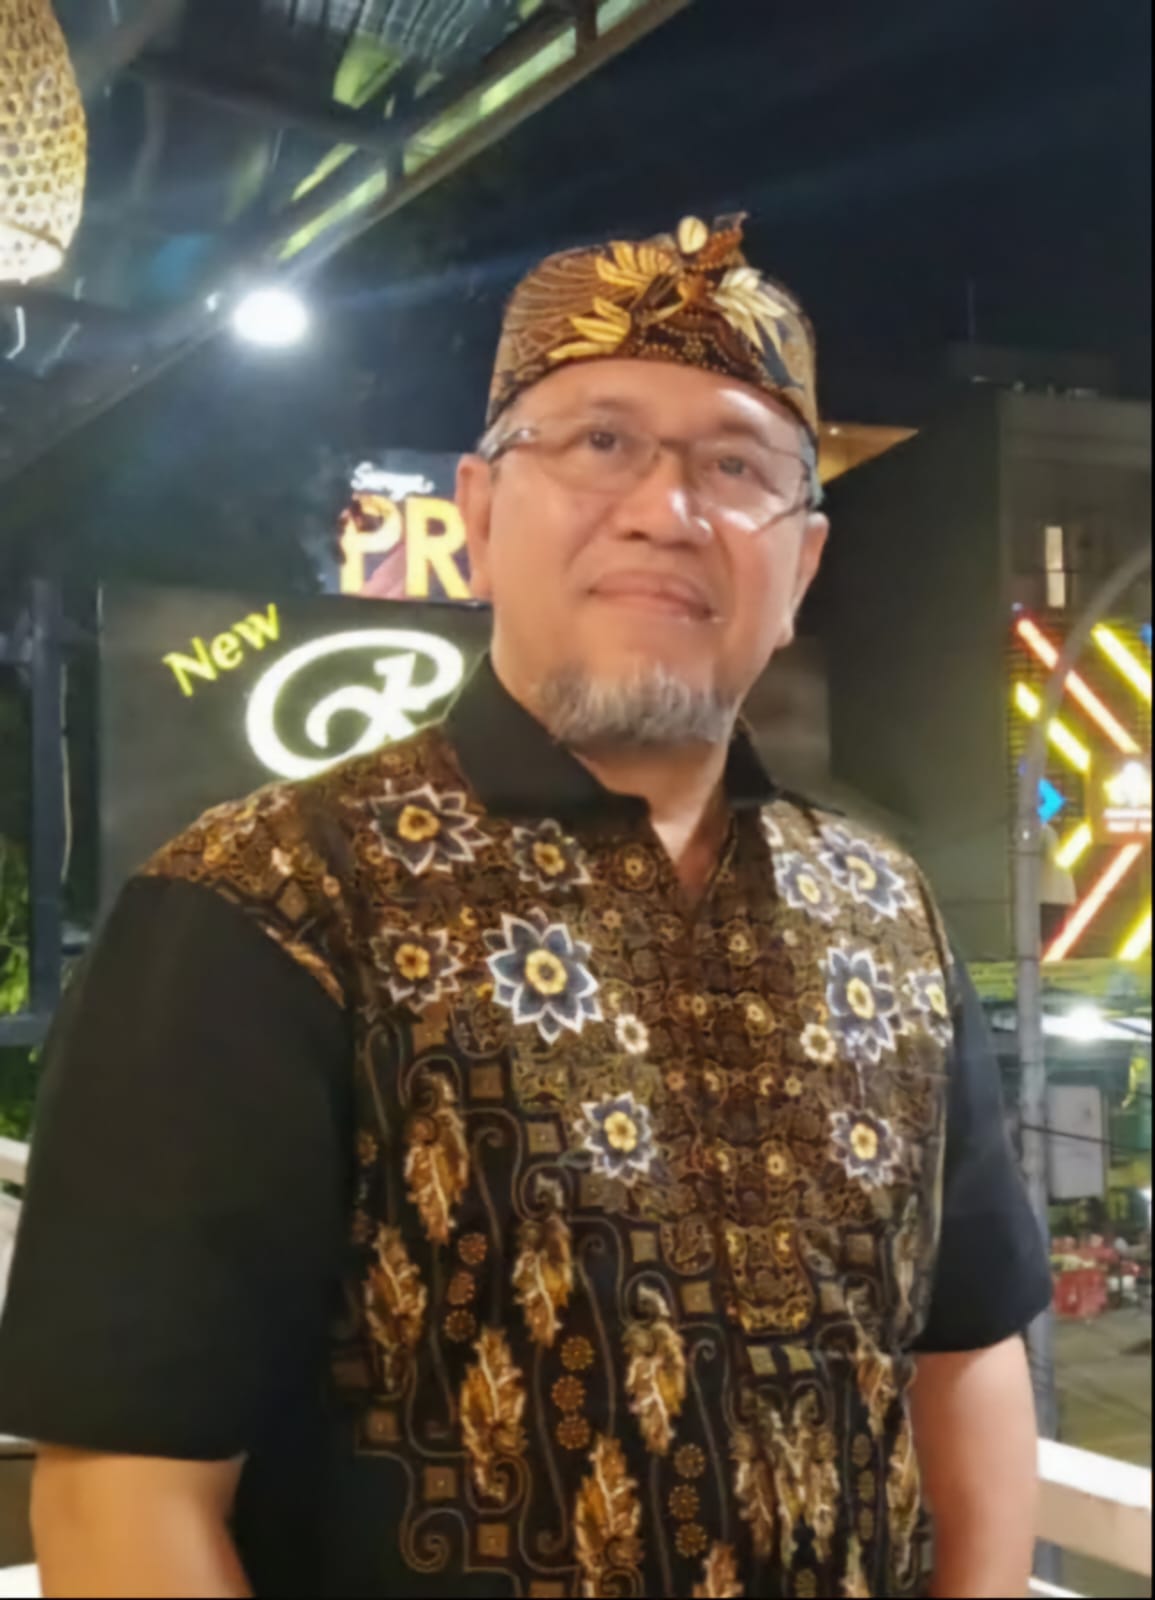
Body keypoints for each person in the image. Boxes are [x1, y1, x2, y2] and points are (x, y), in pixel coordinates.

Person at [0, 215, 1050, 1599]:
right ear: (481, 517)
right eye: (601, 441)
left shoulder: (888, 912)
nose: (667, 510)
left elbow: (966, 1359)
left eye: (737, 466)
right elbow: (125, 1492)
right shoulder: (259, 908)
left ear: (799, 566)